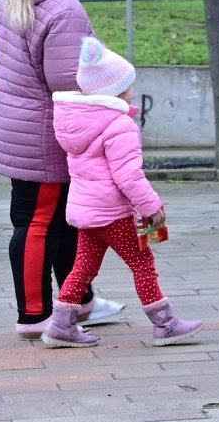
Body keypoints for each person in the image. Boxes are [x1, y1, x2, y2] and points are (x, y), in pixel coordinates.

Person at [0, 0, 124, 337]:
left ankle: (78, 300)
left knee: (65, 219)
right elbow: (69, 81)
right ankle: (34, 315)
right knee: (38, 222)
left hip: (19, 123)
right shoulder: (63, 7)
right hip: (45, 132)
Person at [40, 39, 202, 348]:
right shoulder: (118, 125)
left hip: (87, 211)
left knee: (84, 265)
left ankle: (61, 324)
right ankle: (165, 325)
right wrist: (151, 206)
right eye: (128, 86)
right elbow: (128, 176)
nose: (132, 91)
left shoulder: (76, 122)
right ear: (114, 92)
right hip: (112, 212)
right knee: (142, 263)